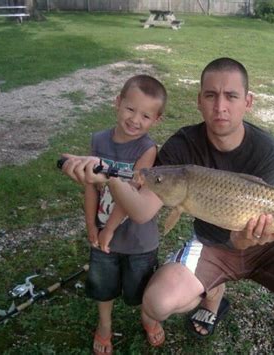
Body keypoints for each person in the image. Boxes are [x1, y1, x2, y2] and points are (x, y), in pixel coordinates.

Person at [62, 58, 274, 355]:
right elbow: (141, 211)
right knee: (157, 303)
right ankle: (213, 292)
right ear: (199, 101)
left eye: (231, 96)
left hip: (267, 241)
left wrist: (249, 239)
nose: (220, 107)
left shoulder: (269, 150)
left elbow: (267, 212)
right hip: (212, 244)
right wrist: (111, 176)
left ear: (248, 101)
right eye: (210, 95)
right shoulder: (182, 146)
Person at [82, 74, 167, 355]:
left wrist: (109, 229)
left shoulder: (147, 150)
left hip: (139, 240)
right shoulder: (98, 140)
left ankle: (148, 317)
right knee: (102, 285)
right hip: (102, 232)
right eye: (130, 109)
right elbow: (91, 187)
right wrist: (92, 225)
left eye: (145, 115)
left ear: (156, 120)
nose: (135, 120)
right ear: (117, 103)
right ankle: (104, 325)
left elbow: (130, 196)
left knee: (140, 287)